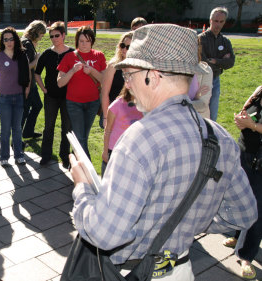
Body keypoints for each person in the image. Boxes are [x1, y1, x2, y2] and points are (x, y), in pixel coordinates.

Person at [67, 24, 257, 280]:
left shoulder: (138, 140)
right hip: (179, 269)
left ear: (152, 76)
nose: (128, 84)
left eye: (130, 75)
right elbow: (244, 213)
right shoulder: (220, 137)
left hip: (129, 272)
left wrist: (82, 188)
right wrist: (190, 222)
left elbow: (103, 234)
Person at [220, 86, 262, 279]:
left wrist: (252, 126)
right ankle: (237, 235)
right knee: (239, 196)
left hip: (259, 160)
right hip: (245, 152)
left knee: (256, 207)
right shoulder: (260, 90)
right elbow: (248, 111)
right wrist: (241, 120)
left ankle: (246, 256)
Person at [57, 25, 106, 160]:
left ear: (92, 42)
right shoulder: (69, 57)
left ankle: (77, 163)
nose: (84, 44)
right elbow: (60, 82)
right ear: (77, 41)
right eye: (81, 41)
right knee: (80, 137)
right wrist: (72, 71)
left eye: (87, 41)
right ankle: (87, 169)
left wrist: (92, 71)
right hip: (74, 103)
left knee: (83, 136)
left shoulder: (99, 55)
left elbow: (104, 80)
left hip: (93, 103)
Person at [0, 27, 30, 167]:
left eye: (11, 39)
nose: (9, 42)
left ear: (15, 39)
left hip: (19, 97)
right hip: (3, 98)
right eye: (6, 39)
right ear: (2, 41)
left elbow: (28, 75)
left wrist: (26, 91)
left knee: (17, 128)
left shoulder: (22, 55)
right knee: (5, 129)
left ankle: (19, 155)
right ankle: (3, 156)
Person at [34, 21, 74, 167]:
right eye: (51, 36)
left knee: (67, 127)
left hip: (68, 97)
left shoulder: (72, 53)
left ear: (63, 35)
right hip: (50, 96)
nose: (54, 38)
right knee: (48, 126)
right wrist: (43, 89)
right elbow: (37, 74)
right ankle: (46, 155)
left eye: (57, 35)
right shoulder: (46, 54)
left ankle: (65, 156)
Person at [199, 7, 235, 121]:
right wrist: (221, 61)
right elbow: (202, 63)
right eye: (215, 21)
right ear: (210, 21)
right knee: (200, 112)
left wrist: (215, 61)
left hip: (215, 79)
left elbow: (231, 62)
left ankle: (211, 137)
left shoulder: (225, 41)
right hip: (201, 81)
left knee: (213, 114)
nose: (218, 25)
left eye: (221, 22)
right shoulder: (200, 39)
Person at [101, 88, 142, 176]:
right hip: (114, 150)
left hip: (132, 151)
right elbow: (107, 130)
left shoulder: (143, 105)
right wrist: (105, 152)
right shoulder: (117, 105)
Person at [100, 31, 133, 129]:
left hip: (132, 113)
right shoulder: (113, 66)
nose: (124, 49)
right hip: (114, 112)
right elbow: (105, 93)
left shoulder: (139, 67)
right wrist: (106, 117)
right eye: (122, 45)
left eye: (128, 47)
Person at [21, 20, 46, 139]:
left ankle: (27, 132)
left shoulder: (27, 42)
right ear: (37, 32)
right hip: (27, 84)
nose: (42, 37)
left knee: (36, 106)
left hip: (30, 84)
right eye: (42, 34)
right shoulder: (27, 44)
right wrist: (37, 59)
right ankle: (17, 140)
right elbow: (24, 67)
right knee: (25, 111)